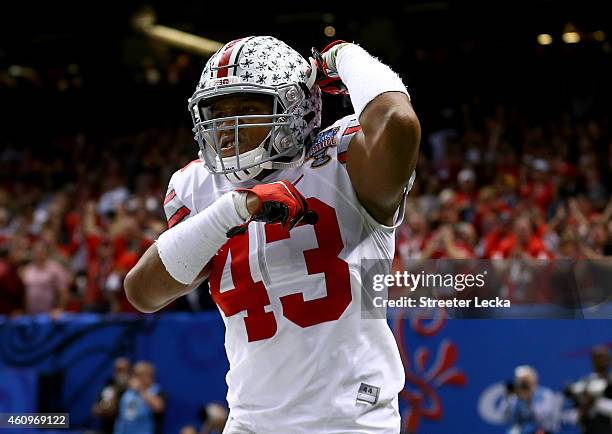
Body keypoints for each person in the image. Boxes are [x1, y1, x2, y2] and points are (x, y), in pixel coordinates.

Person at [125, 35, 420, 433]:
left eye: (247, 109)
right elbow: (143, 293)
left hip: (350, 421)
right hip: (249, 420)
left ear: (294, 108)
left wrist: (344, 57)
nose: (226, 128)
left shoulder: (341, 160)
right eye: (217, 112)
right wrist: (236, 208)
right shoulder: (200, 186)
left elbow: (398, 121)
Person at [501, 365, 563, 434]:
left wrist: (529, 400)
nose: (523, 384)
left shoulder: (545, 394)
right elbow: (505, 418)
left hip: (543, 430)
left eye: (525, 380)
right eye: (520, 380)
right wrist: (507, 398)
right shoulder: (515, 397)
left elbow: (542, 419)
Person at [565, 346, 612, 434]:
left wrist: (596, 402)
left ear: (609, 360)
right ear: (593, 361)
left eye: (604, 358)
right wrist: (585, 406)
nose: (601, 361)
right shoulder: (584, 383)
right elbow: (575, 413)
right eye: (598, 358)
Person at [113, 361, 165, 434]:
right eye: (137, 375)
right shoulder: (127, 391)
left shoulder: (156, 391)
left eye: (144, 375)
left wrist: (140, 390)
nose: (140, 378)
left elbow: (159, 407)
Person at [92, 357, 131, 434]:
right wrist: (103, 408)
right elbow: (96, 410)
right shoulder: (108, 388)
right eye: (118, 370)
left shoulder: (135, 390)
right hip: (109, 429)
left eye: (123, 370)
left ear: (129, 370)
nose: (120, 374)